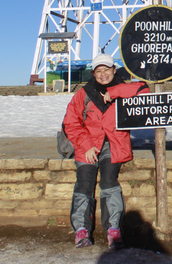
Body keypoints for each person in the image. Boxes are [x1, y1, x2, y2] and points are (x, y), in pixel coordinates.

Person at [62, 53, 150, 249]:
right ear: (93, 73)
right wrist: (86, 146)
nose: (103, 74)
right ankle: (81, 230)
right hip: (87, 146)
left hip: (113, 145)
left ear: (113, 70)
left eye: (106, 70)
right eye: (98, 71)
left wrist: (116, 91)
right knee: (84, 184)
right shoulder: (83, 94)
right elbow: (71, 122)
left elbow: (144, 90)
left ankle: (113, 230)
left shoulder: (123, 87)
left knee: (110, 183)